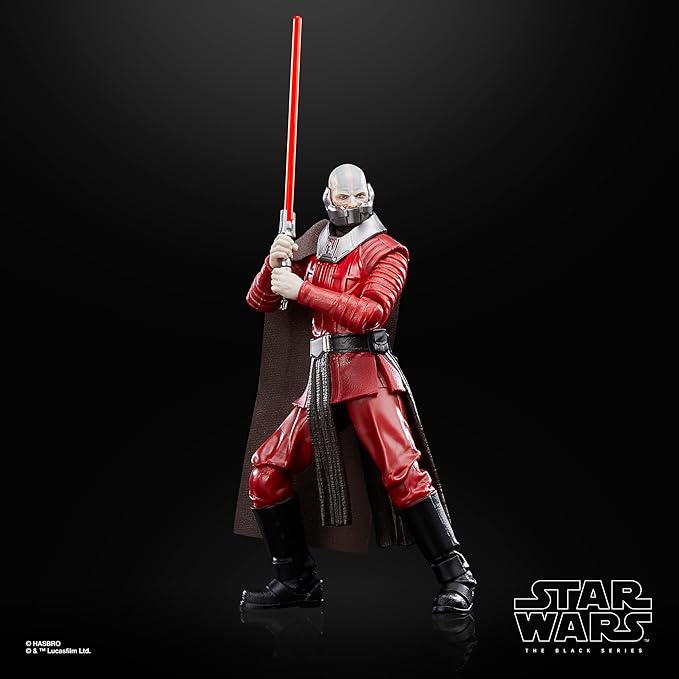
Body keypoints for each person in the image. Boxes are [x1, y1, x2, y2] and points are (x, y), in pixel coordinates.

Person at [234, 163, 476, 614]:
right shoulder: (313, 245)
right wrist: (273, 262)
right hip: (323, 376)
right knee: (266, 472)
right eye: (342, 197)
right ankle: (297, 580)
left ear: (370, 194)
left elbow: (373, 312)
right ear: (328, 198)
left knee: (403, 473)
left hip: (366, 371)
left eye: (357, 196)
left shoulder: (387, 250)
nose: (350, 204)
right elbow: (259, 301)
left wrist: (303, 290)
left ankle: (456, 575)